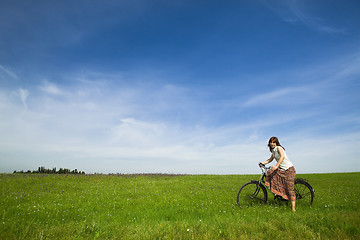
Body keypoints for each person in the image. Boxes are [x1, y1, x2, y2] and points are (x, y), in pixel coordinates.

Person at [260, 137, 296, 212]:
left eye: (273, 142)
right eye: (271, 142)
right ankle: (278, 192)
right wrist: (263, 163)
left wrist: (276, 166)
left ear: (276, 143)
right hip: (282, 169)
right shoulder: (273, 151)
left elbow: (282, 156)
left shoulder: (278, 148)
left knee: (289, 188)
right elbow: (270, 159)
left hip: (288, 169)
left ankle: (293, 208)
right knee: (270, 172)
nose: (272, 144)